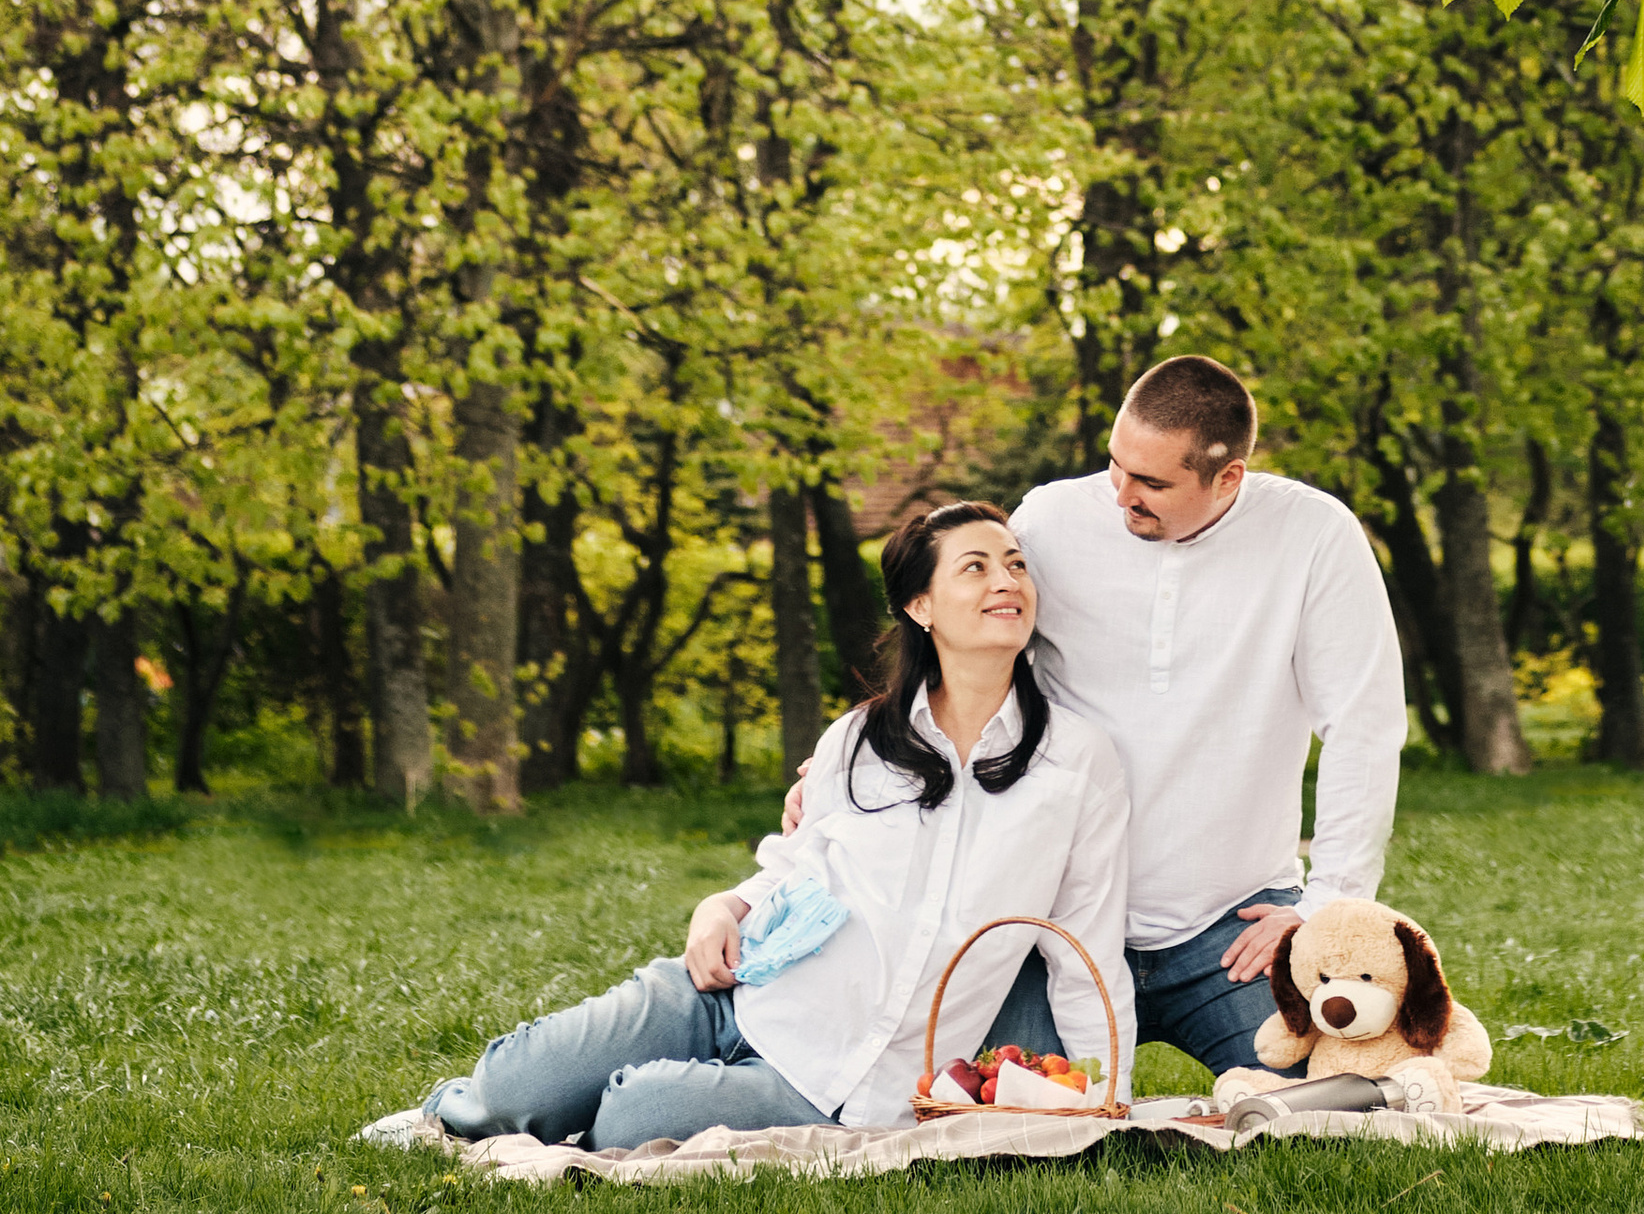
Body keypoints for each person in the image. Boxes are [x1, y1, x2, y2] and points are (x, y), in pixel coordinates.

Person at [366, 501, 1131, 1151]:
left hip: (832, 1082)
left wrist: (1109, 1101)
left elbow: (1086, 952)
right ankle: (454, 1112)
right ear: (919, 606)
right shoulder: (859, 740)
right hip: (732, 989)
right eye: (976, 567)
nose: (1007, 581)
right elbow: (798, 865)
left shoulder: (1078, 764)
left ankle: (567, 1130)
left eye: (1016, 565)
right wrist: (726, 905)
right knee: (513, 1090)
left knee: (636, 1115)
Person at [785, 357, 1406, 1080]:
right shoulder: (1050, 520)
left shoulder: (1315, 537)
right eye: (1116, 466)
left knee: (1347, 1103)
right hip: (1051, 922)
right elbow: (968, 643)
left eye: (1151, 484)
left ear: (1227, 478)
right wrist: (863, 754)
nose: (1121, 495)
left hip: (1231, 930)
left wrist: (1327, 904)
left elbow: (1363, 726)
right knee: (982, 1114)